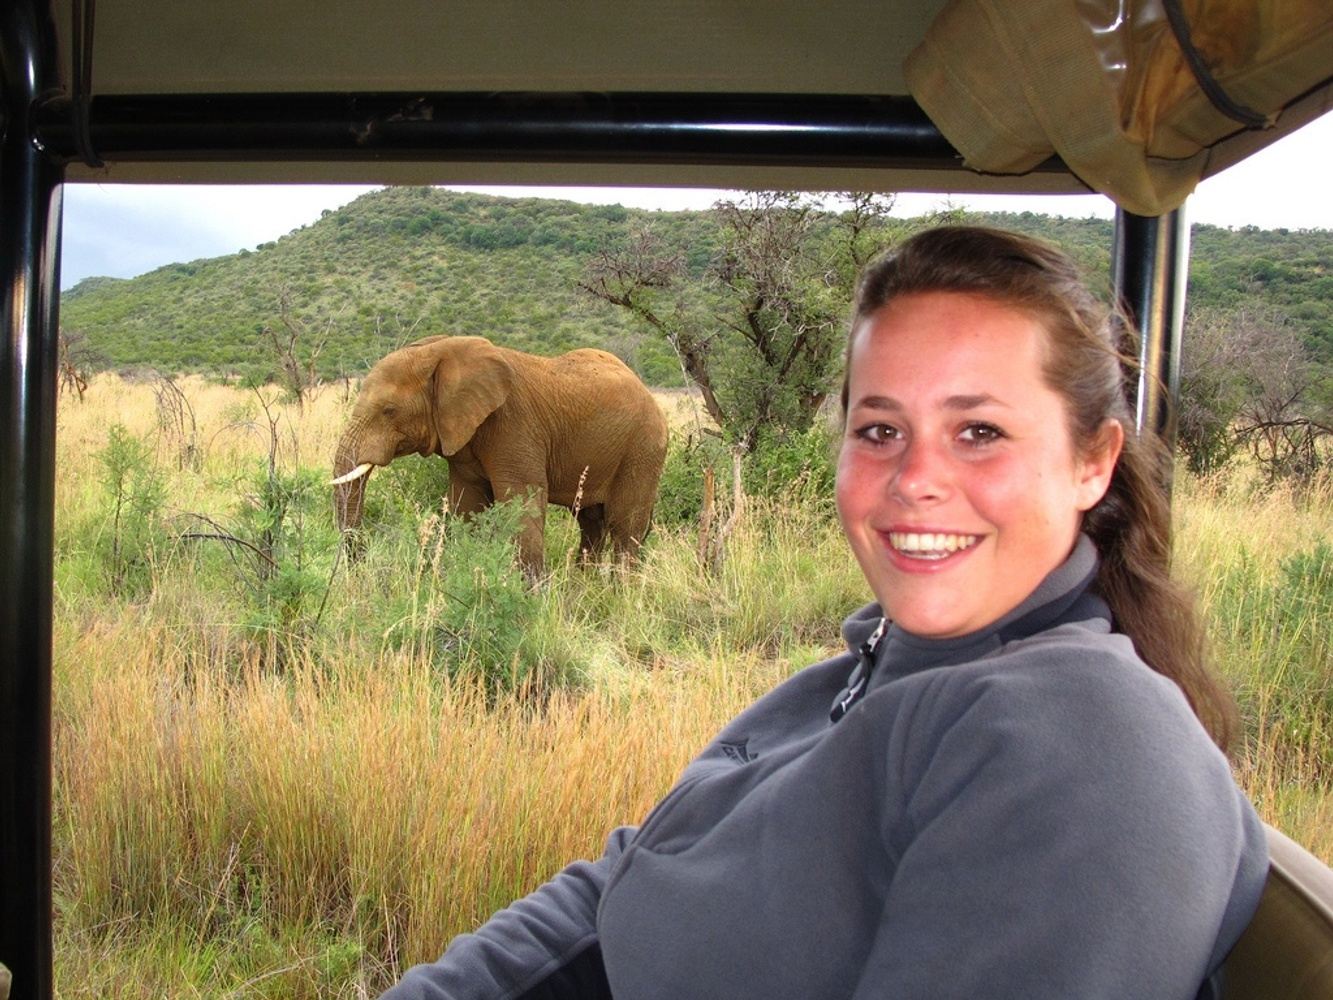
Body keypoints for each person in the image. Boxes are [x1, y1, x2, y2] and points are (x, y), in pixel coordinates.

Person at [380, 225, 1269, 1000]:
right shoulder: (869, 670)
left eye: (979, 432)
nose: (915, 480)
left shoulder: (1087, 759)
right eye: (879, 430)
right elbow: (630, 883)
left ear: (1091, 462)